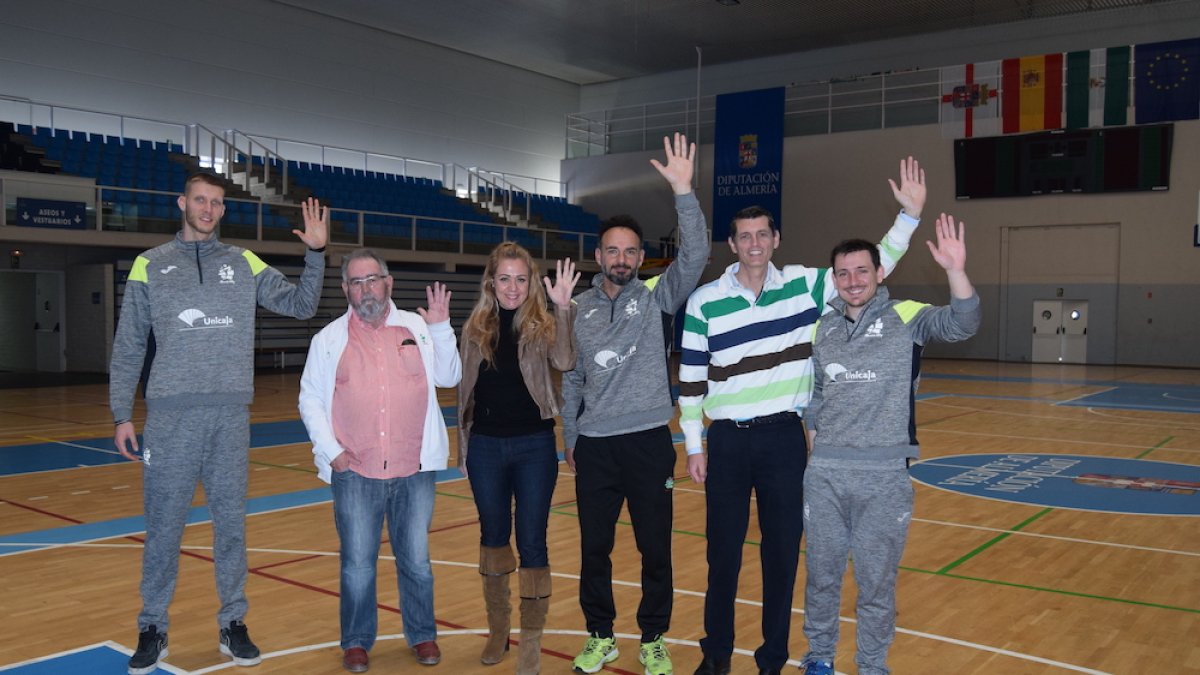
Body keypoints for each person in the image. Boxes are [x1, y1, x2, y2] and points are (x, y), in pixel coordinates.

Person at [680, 159, 927, 675]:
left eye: (761, 235)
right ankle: (716, 656)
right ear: (733, 244)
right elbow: (690, 378)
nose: (753, 244)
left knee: (782, 558)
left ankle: (772, 659)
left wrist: (909, 217)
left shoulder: (806, 286)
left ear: (776, 239)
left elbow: (868, 269)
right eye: (743, 236)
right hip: (725, 441)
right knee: (721, 557)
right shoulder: (705, 301)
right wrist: (695, 444)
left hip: (783, 441)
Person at [110, 173, 328, 675]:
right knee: (163, 529)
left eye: (217, 203)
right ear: (182, 202)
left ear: (224, 211)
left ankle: (233, 623)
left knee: (230, 527)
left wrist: (315, 253)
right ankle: (152, 627)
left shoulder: (242, 262)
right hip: (169, 419)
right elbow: (128, 345)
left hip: (230, 417)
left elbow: (302, 305)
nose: (208, 209)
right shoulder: (149, 265)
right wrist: (122, 412)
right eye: (201, 200)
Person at [799, 214, 980, 675]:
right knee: (821, 579)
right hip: (825, 478)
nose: (853, 280)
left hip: (884, 479)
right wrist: (817, 454)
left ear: (880, 274)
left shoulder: (908, 318)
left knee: (876, 585)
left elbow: (963, 323)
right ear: (834, 279)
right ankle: (819, 657)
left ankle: (872, 666)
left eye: (862, 270)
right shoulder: (823, 329)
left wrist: (956, 271)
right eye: (843, 273)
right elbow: (817, 397)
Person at [562, 132, 710, 675]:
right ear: (597, 256)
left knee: (656, 548)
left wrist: (684, 191)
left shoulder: (657, 297)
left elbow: (695, 255)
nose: (621, 259)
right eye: (612, 251)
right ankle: (600, 635)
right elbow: (571, 378)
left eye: (631, 251)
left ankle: (652, 637)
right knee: (594, 550)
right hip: (595, 449)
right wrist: (571, 439)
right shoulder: (575, 309)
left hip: (649, 442)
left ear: (641, 257)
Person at [297, 249, 461, 674]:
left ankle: (422, 634)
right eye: (356, 282)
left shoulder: (419, 328)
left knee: (418, 563)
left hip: (414, 470)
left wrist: (442, 328)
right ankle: (355, 641)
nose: (365, 288)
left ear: (388, 283)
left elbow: (449, 377)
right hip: (355, 473)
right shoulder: (328, 340)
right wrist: (330, 451)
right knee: (356, 566)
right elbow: (310, 399)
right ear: (345, 290)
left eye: (373, 279)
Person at [457, 243, 580, 674]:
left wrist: (563, 309)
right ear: (492, 281)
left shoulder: (545, 326)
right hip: (486, 446)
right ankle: (498, 629)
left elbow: (566, 360)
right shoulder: (474, 328)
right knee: (492, 538)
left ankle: (530, 641)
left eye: (521, 279)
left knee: (532, 541)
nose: (513, 287)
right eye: (505, 278)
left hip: (534, 447)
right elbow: (463, 393)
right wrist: (464, 449)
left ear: (531, 284)